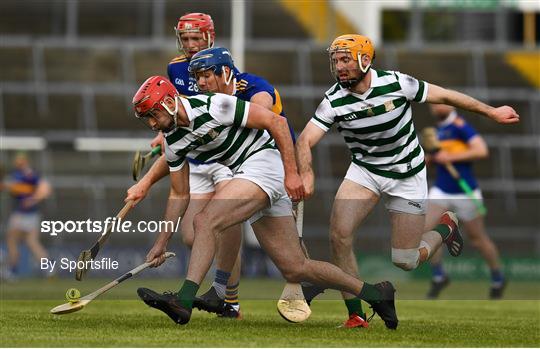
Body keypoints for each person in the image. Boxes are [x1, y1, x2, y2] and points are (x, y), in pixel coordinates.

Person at [130, 76, 399, 328]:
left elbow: (278, 123)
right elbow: (179, 194)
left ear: (168, 102)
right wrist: (161, 241)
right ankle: (377, 293)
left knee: (206, 220)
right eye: (147, 119)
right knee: (295, 267)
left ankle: (184, 300)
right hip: (249, 173)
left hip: (265, 163)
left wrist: (292, 173)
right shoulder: (173, 141)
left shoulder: (214, 105)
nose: (152, 124)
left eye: (153, 115)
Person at [295, 34, 519, 328]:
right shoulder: (333, 100)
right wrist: (306, 173)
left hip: (407, 175)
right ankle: (356, 315)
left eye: (345, 59)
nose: (339, 67)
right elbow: (305, 140)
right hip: (365, 171)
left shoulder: (397, 83)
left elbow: (448, 96)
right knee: (339, 235)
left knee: (406, 260)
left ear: (365, 59)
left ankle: (446, 226)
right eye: (335, 60)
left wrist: (491, 111)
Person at [131, 12, 244, 318]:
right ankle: (218, 295)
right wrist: (161, 131)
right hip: (197, 157)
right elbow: (172, 107)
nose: (191, 44)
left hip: (224, 154)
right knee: (192, 235)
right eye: (186, 39)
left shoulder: (224, 69)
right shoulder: (175, 67)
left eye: (197, 38)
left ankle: (228, 300)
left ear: (210, 37)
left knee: (224, 222)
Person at [425, 104, 506, 299]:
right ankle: (439, 276)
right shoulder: (438, 131)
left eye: (439, 102)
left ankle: (498, 277)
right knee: (426, 231)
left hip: (465, 191)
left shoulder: (461, 126)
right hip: (441, 190)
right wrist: (430, 158)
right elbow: (434, 157)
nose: (435, 106)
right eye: (433, 104)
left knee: (478, 239)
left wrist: (450, 156)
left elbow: (481, 150)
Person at [2, 152, 52, 279]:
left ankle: (12, 270)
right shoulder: (24, 175)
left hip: (22, 214)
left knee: (12, 241)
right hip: (32, 215)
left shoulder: (27, 175)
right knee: (32, 242)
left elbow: (45, 190)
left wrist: (32, 199)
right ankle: (49, 268)